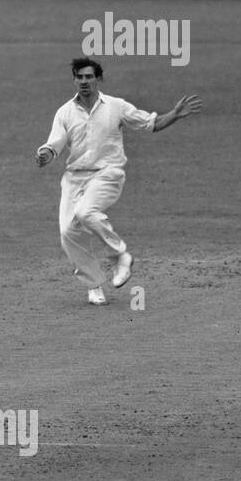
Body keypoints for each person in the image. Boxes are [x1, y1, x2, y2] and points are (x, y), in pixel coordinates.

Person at [35, 60, 203, 305]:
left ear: (98, 79)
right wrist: (45, 155)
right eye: (79, 77)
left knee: (85, 212)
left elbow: (150, 124)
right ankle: (94, 285)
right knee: (67, 233)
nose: (84, 81)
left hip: (107, 174)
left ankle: (120, 255)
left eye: (89, 77)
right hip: (74, 178)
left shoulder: (116, 106)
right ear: (74, 80)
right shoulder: (65, 112)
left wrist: (174, 115)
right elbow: (55, 144)